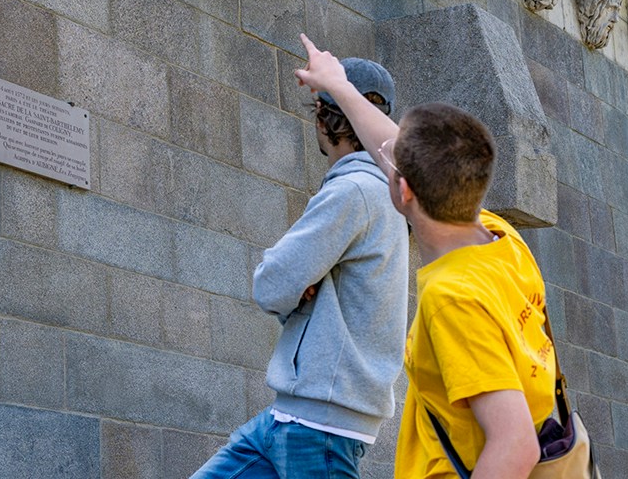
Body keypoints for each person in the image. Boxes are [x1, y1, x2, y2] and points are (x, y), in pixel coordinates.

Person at [296, 34, 556, 479]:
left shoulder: (452, 297)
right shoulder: (504, 240)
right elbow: (397, 152)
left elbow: (514, 446)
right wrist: (338, 85)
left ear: (403, 191)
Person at [190, 56, 410, 479]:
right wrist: (303, 285)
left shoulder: (353, 191)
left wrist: (296, 289)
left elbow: (271, 283)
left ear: (325, 118)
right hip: (293, 416)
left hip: (322, 424)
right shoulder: (378, 194)